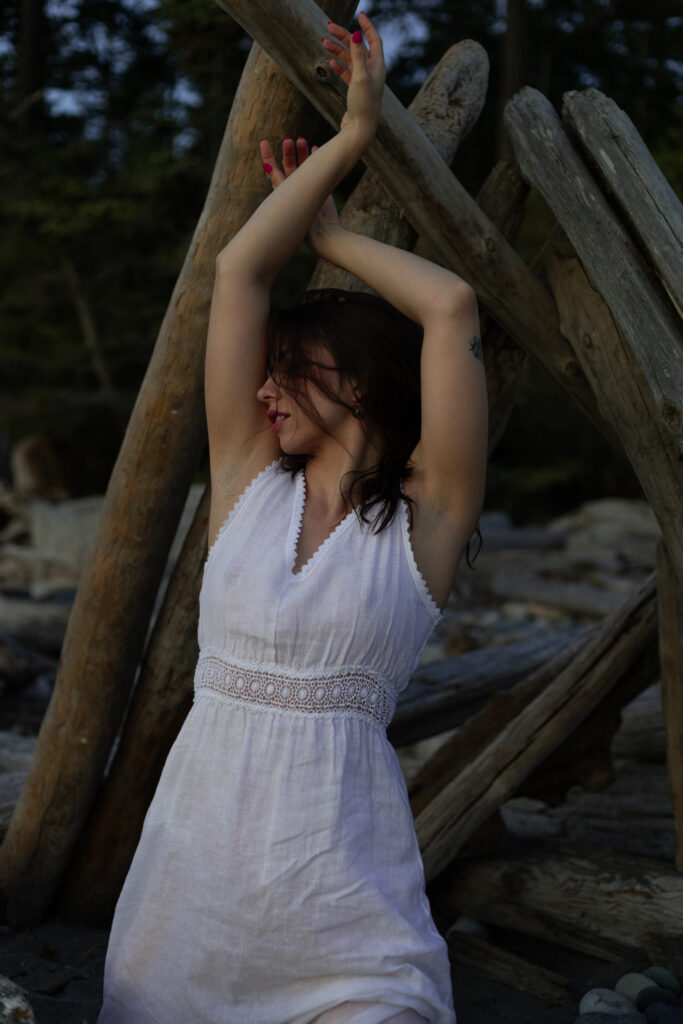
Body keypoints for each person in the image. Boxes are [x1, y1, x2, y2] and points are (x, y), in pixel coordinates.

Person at [98, 12, 487, 1024]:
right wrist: (347, 141)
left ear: (356, 375)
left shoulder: (423, 522)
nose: (262, 392)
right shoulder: (245, 482)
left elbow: (448, 309)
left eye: (288, 371)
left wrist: (338, 236)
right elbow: (236, 274)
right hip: (190, 905)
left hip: (341, 908)